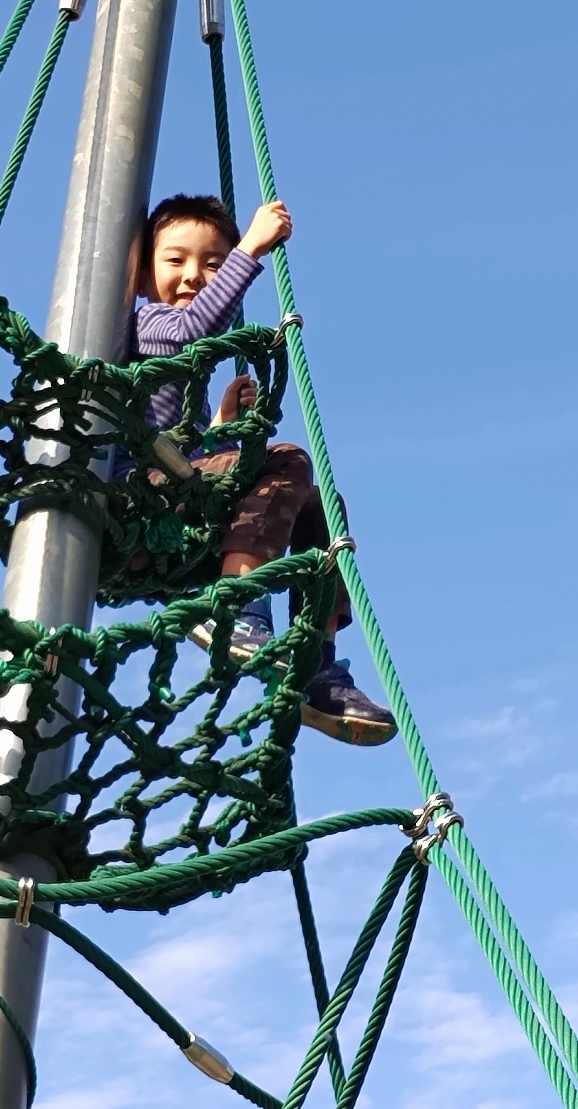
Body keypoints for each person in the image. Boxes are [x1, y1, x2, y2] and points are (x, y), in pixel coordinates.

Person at [126, 192, 396, 746]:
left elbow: (186, 445)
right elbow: (189, 330)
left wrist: (221, 425)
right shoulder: (148, 323)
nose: (194, 276)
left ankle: (314, 661)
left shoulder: (180, 363)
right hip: (137, 500)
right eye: (175, 261)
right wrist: (247, 249)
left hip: (177, 489)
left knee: (321, 505)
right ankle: (239, 604)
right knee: (287, 459)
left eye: (212, 264)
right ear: (139, 275)